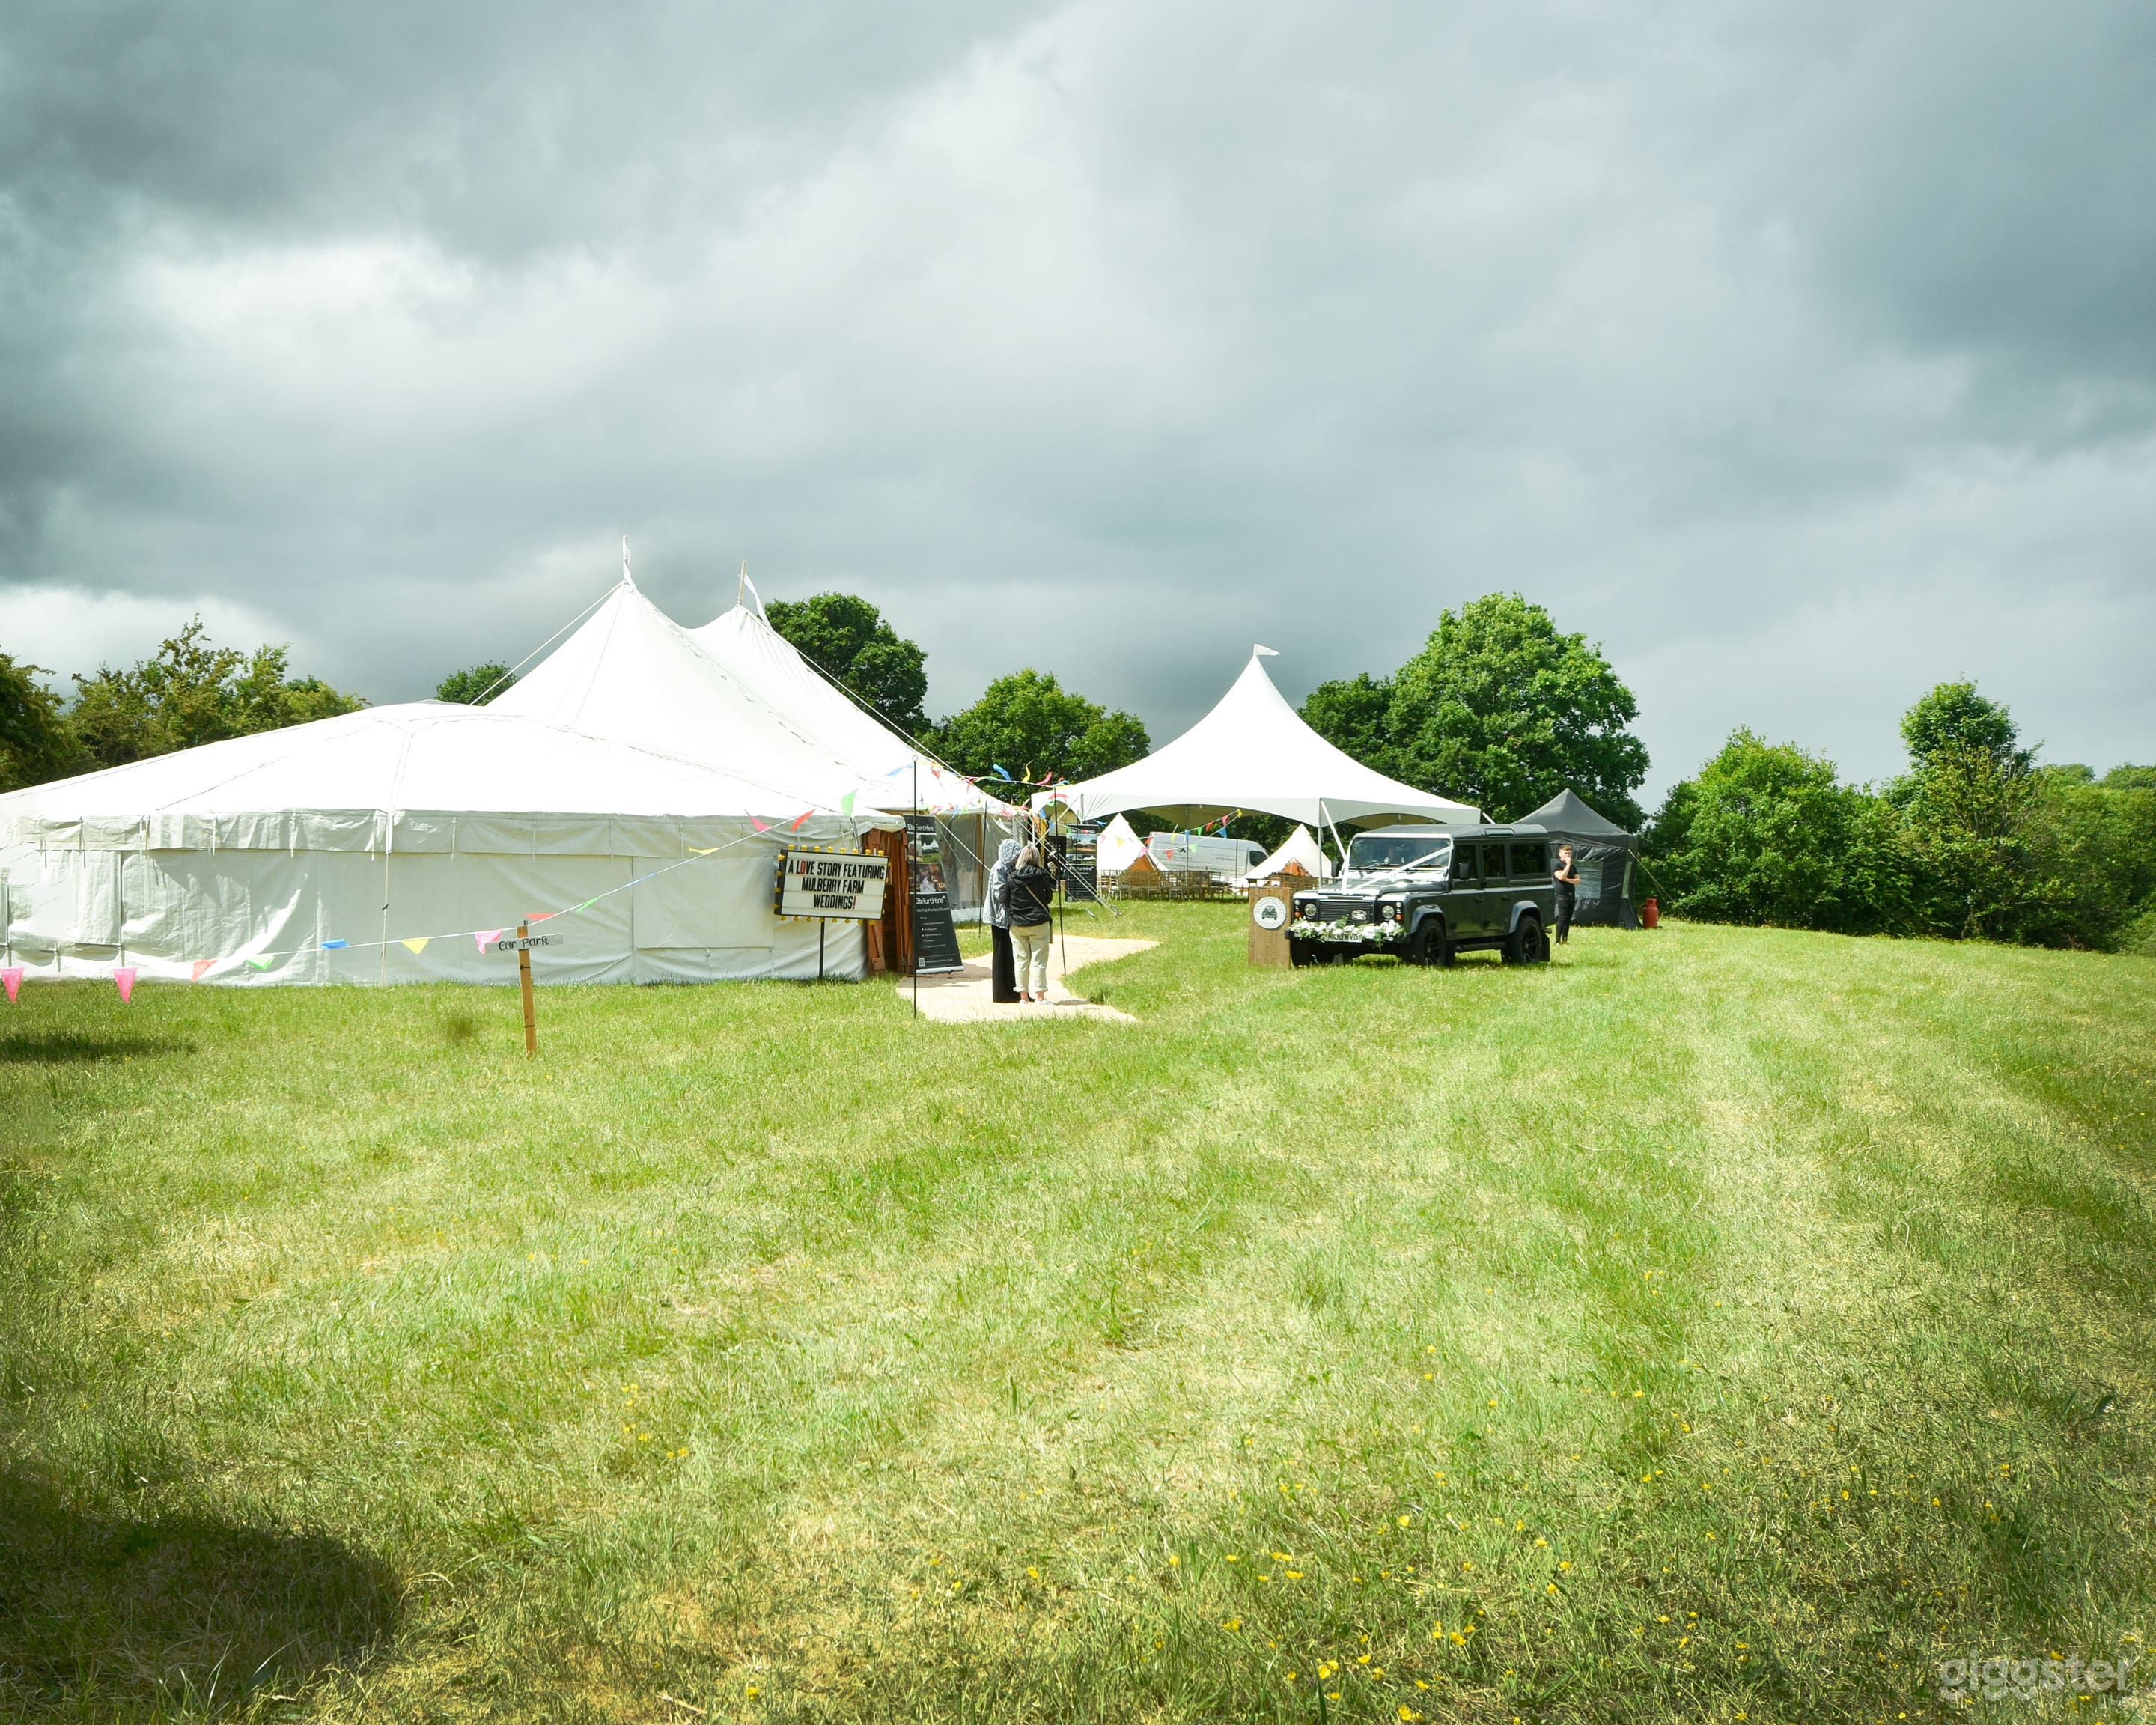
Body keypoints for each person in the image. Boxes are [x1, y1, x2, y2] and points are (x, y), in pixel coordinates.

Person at [1005, 842, 1057, 1003]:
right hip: (1039, 922)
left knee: (1020, 960)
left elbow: (1006, 900)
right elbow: (1049, 898)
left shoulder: (1012, 877)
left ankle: (1023, 998)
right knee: (1039, 960)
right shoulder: (1042, 876)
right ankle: (1040, 997)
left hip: (1017, 924)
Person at [985, 837, 1020, 1003]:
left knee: (1009, 956)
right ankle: (1001, 994)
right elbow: (999, 893)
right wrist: (1016, 896)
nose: (1017, 858)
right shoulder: (999, 868)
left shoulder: (1010, 869)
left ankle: (1012, 990)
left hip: (1007, 918)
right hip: (999, 918)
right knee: (1001, 956)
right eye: (1016, 855)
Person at [1552, 842, 1580, 945]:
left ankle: (1565, 939)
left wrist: (1568, 880)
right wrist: (1567, 865)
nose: (1568, 855)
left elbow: (1578, 881)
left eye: (1569, 853)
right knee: (1562, 917)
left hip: (1571, 894)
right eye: (1565, 853)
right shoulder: (1557, 865)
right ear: (1560, 854)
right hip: (1562, 895)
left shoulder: (1573, 867)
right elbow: (1561, 877)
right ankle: (1557, 941)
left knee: (1568, 918)